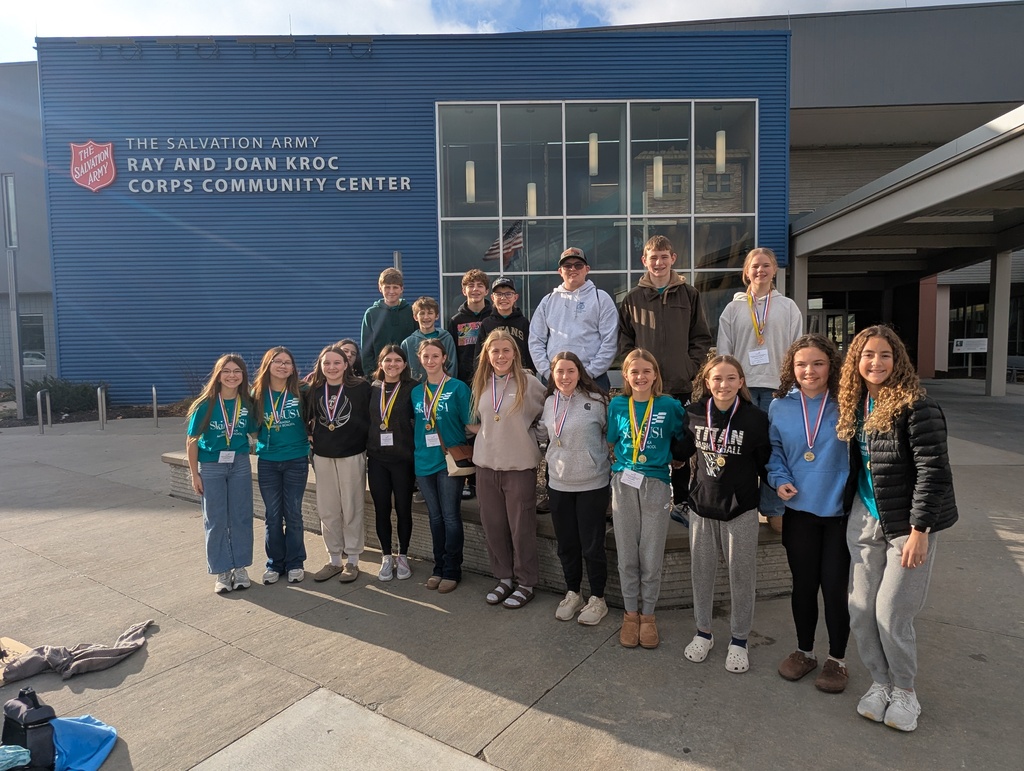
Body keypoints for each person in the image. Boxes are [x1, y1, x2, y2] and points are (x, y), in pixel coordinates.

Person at [836, 325, 958, 732]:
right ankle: (880, 683)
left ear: (897, 359)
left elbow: (934, 471)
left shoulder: (917, 406)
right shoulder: (857, 404)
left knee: (892, 613)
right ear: (856, 361)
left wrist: (921, 529)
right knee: (860, 610)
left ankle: (906, 691)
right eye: (867, 354)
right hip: (866, 517)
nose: (876, 362)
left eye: (884, 354)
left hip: (908, 524)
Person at [767, 334, 851, 693]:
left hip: (839, 513)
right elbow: (774, 453)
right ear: (792, 368)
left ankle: (837, 659)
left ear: (831, 366)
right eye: (801, 364)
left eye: (818, 363)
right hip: (799, 509)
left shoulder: (848, 403)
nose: (809, 371)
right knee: (803, 586)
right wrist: (779, 478)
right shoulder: (779, 406)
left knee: (834, 588)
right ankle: (805, 651)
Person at [681, 355, 770, 673]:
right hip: (702, 509)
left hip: (741, 510)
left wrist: (781, 488)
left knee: (741, 577)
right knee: (701, 575)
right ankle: (703, 633)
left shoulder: (755, 418)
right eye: (717, 378)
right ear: (707, 382)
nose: (723, 384)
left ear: (741, 382)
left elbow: (765, 463)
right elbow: (681, 453)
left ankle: (739, 641)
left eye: (731, 378)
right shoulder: (693, 414)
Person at [618, 234, 713, 525]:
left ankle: (682, 501)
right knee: (645, 439)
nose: (658, 263)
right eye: (652, 258)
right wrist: (636, 372)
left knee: (681, 444)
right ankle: (647, 499)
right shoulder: (632, 298)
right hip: (645, 390)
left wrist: (690, 366)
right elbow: (624, 341)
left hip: (679, 384)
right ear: (643, 261)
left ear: (673, 259)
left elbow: (701, 337)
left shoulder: (690, 295)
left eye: (663, 257)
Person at [716, 247, 802, 533]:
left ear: (774, 270)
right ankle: (740, 505)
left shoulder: (788, 307)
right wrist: (727, 385)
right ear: (746, 271)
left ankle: (773, 507)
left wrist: (793, 384)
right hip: (744, 390)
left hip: (779, 389)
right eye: (755, 266)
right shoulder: (733, 309)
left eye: (766, 265)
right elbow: (725, 354)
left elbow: (797, 350)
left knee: (773, 449)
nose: (760, 271)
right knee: (740, 449)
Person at [607, 349, 687, 649]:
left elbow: (682, 438)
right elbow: (612, 440)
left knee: (651, 554)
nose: (640, 377)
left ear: (655, 374)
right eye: (634, 372)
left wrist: (676, 460)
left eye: (646, 371)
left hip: (656, 483)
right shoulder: (617, 405)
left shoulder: (669, 405)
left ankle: (649, 616)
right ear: (626, 376)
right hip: (624, 483)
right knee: (627, 552)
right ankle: (630, 614)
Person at [470, 329, 546, 609]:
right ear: (487, 356)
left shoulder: (530, 383)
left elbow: (546, 414)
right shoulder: (481, 383)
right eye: (494, 351)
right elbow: (475, 419)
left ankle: (525, 583)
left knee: (521, 528)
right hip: (487, 466)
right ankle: (504, 578)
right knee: (494, 527)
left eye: (505, 351)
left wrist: (539, 436)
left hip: (518, 467)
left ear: (514, 353)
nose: (500, 356)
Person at [537, 351, 611, 625]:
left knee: (592, 546)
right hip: (559, 484)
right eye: (559, 372)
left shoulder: (597, 400)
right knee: (567, 544)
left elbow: (609, 436)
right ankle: (574, 592)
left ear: (579, 372)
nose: (565, 377)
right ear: (552, 375)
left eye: (570, 371)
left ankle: (598, 598)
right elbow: (543, 434)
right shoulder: (548, 403)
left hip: (592, 483)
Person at [186, 354, 256, 594]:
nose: (232, 375)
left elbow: (256, 432)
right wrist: (195, 474)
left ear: (243, 376)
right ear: (218, 374)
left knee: (241, 516)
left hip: (239, 464)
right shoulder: (205, 404)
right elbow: (192, 440)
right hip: (212, 466)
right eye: (226, 370)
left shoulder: (246, 403)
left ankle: (240, 568)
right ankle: (222, 571)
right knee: (215, 520)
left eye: (237, 371)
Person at [305, 344, 372, 584]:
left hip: (352, 455)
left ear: (346, 364)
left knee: (352, 506)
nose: (332, 367)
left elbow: (371, 418)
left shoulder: (361, 388)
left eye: (336, 362)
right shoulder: (313, 389)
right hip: (323, 456)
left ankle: (352, 559)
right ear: (321, 367)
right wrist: (309, 435)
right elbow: (304, 417)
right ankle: (334, 558)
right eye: (327, 363)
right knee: (328, 508)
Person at [412, 338, 473, 593]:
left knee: (450, 516)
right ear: (420, 359)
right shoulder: (416, 392)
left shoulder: (458, 388)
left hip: (449, 461)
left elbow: (470, 425)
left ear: (444, 358)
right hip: (424, 460)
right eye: (426, 356)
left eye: (435, 356)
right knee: (435, 517)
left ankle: (452, 569)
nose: (430, 360)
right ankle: (438, 566)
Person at [251, 346, 310, 585]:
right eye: (278, 361)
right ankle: (275, 563)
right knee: (273, 515)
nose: (283, 366)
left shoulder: (302, 391)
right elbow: (253, 428)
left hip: (296, 459)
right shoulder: (256, 394)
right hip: (268, 461)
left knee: (293, 513)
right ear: (268, 365)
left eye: (288, 362)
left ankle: (295, 562)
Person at [528, 247, 618, 390]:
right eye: (567, 266)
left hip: (593, 380)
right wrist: (548, 373)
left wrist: (588, 374)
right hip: (557, 380)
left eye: (578, 265)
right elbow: (535, 340)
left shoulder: (601, 298)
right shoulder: (548, 301)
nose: (572, 269)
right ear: (560, 271)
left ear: (587, 269)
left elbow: (610, 341)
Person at [367, 345, 416, 582]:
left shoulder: (413, 388)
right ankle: (386, 556)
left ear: (405, 365)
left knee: (404, 509)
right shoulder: (372, 388)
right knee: (382, 509)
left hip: (403, 460)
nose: (393, 364)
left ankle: (403, 555)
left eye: (398, 360)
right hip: (377, 459)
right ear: (381, 363)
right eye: (388, 360)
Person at [361, 267, 418, 372]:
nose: (391, 291)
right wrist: (371, 375)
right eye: (387, 287)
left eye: (395, 287)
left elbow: (418, 343)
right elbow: (366, 349)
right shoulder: (371, 313)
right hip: (380, 374)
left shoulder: (411, 312)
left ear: (402, 289)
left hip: (408, 373)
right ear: (380, 288)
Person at [476, 276, 535, 372]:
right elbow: (479, 355)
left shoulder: (523, 322)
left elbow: (530, 352)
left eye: (508, 294)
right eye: (499, 294)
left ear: (515, 297)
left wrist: (531, 372)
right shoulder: (487, 324)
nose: (503, 298)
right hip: (494, 377)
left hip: (520, 374)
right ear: (492, 297)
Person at [447, 268, 492, 387]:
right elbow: (452, 355)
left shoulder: (494, 318)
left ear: (486, 291)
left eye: (480, 286)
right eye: (471, 286)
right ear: (464, 291)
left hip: (491, 378)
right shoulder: (456, 321)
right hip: (464, 382)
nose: (475, 289)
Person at [402, 296, 458, 382]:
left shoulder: (446, 338)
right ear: (415, 317)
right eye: (422, 313)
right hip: (417, 391)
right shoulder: (407, 343)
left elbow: (452, 365)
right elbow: (404, 370)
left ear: (437, 316)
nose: (426, 317)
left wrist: (448, 385)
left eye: (430, 313)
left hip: (443, 388)